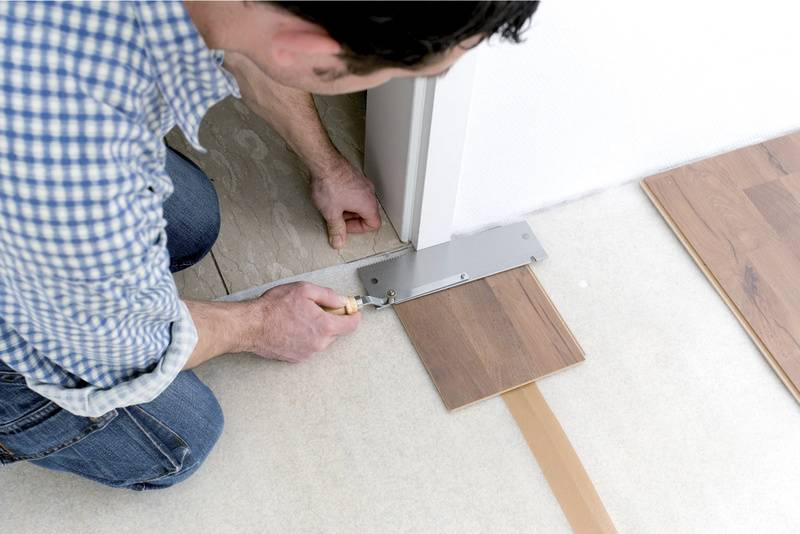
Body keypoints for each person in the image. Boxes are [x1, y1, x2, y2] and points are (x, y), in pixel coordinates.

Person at [0, 1, 539, 489]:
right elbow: (123, 353)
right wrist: (257, 323)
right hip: (39, 194)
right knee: (183, 435)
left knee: (190, 223)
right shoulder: (77, 169)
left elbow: (251, 45)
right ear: (306, 50)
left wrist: (326, 166)